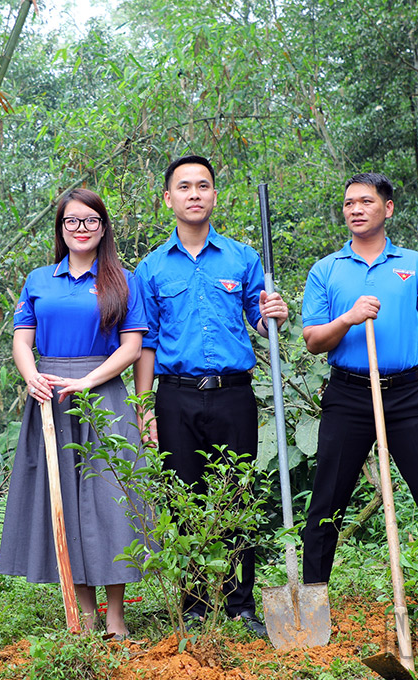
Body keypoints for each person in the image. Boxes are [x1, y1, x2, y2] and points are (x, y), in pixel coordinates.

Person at [133, 155, 289, 636]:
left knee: (237, 496)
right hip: (175, 396)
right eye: (185, 187)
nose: (195, 193)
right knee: (184, 499)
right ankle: (197, 602)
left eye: (203, 185)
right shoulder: (151, 268)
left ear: (215, 196)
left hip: (232, 395)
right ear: (169, 199)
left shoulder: (242, 258)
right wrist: (144, 410)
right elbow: (147, 342)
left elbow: (260, 323)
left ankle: (241, 604)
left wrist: (273, 315)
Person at [301, 173, 418, 589]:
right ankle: (314, 596)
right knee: (327, 500)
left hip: (407, 394)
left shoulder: (415, 265)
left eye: (366, 202)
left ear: (387, 208)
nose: (355, 209)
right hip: (347, 394)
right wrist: (348, 318)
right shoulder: (327, 270)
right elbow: (314, 341)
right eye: (349, 203)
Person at [0, 188, 147, 639]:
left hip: (105, 395)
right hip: (50, 396)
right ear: (61, 229)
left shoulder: (123, 279)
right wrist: (31, 377)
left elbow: (133, 346)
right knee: (63, 504)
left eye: (90, 220)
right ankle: (85, 612)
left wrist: (88, 381)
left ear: (103, 226)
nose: (81, 228)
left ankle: (116, 616)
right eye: (71, 221)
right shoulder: (39, 279)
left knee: (109, 503)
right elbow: (23, 340)